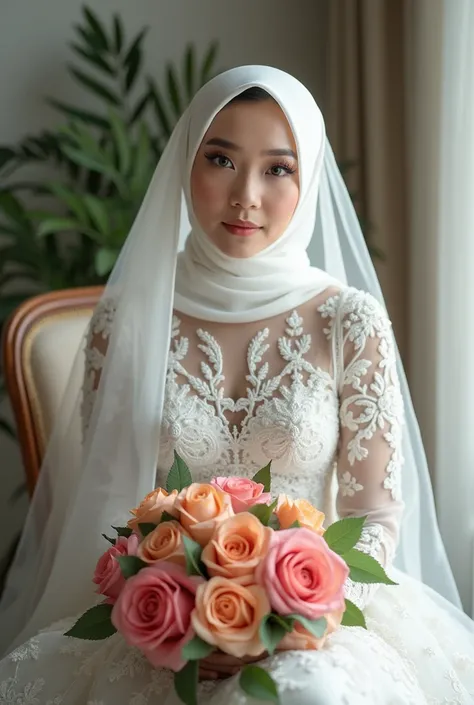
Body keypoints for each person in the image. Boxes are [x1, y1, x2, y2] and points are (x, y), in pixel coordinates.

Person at [0, 65, 474, 705]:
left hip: (317, 617)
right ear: (185, 164)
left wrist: (284, 612)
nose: (245, 195)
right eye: (220, 159)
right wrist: (179, 601)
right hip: (162, 615)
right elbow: (110, 505)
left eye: (278, 168)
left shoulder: (348, 322)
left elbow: (374, 518)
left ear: (306, 183)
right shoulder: (124, 321)